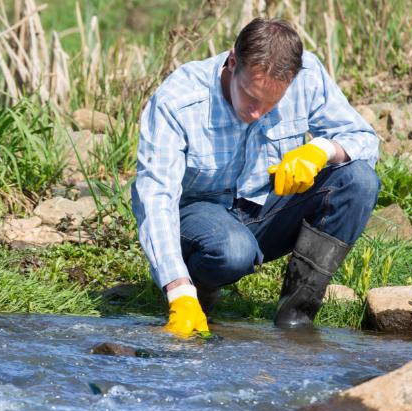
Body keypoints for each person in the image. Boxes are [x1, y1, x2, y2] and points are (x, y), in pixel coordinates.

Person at [131, 17, 380, 338]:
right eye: (250, 96)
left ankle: (295, 319)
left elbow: (364, 139)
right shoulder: (178, 101)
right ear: (232, 62)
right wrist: (177, 289)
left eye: (271, 103)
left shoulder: (307, 76)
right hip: (198, 216)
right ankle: (200, 289)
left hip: (268, 208)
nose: (256, 113)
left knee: (359, 179)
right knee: (232, 250)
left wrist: (322, 149)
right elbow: (155, 198)